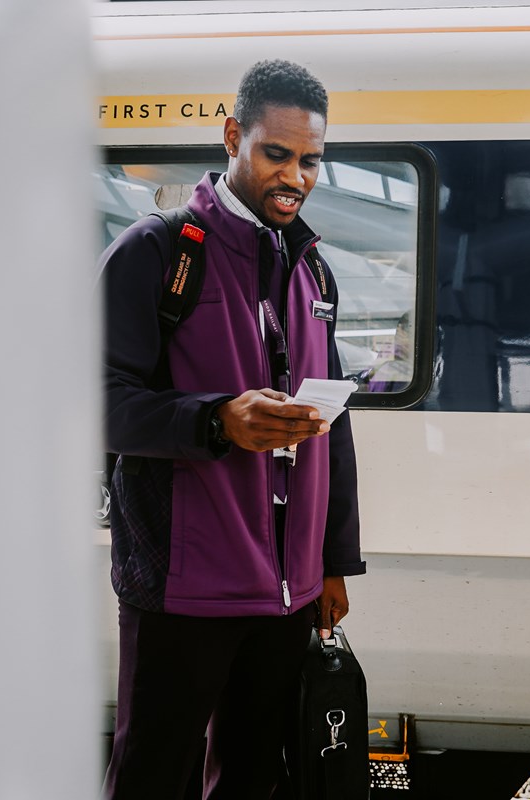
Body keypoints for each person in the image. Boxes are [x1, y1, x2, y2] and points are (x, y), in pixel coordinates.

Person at [98, 60, 365, 800]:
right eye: (276, 154)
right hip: (180, 585)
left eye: (311, 160)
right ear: (230, 138)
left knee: (252, 777)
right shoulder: (156, 253)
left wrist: (333, 560)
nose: (296, 176)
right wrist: (216, 420)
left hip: (287, 591)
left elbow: (332, 431)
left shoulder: (312, 271)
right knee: (154, 773)